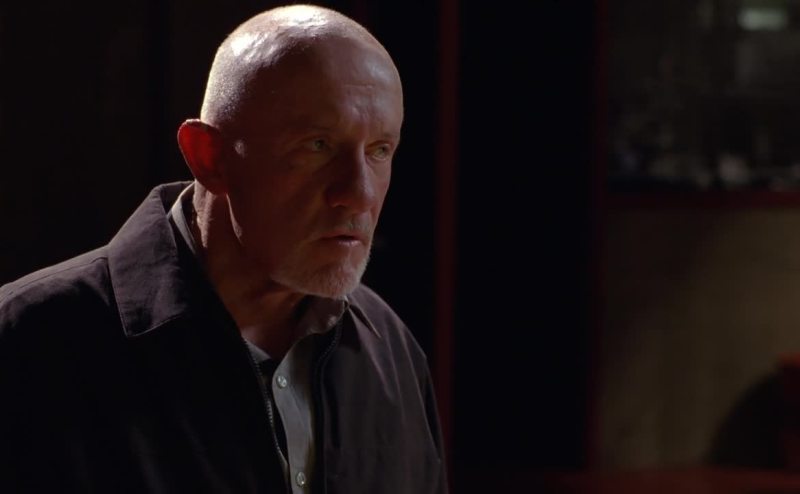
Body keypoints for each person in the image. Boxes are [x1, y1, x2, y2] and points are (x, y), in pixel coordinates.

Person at [0, 5, 447, 493]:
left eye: (380, 150)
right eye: (318, 145)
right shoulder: (31, 345)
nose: (359, 193)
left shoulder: (390, 351)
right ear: (208, 157)